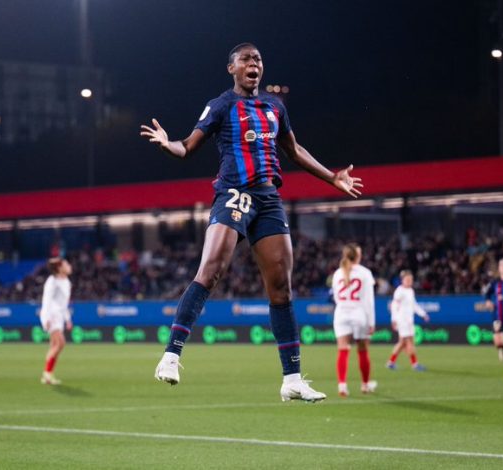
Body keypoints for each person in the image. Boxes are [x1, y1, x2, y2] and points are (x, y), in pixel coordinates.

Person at [140, 42, 363, 402]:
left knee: (281, 288)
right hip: (234, 193)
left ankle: (292, 379)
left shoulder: (275, 106)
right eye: (245, 59)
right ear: (232, 68)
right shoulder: (221, 105)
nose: (253, 63)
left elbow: (294, 150)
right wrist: (168, 144)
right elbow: (188, 146)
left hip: (268, 199)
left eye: (257, 59)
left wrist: (332, 177)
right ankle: (171, 355)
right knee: (211, 270)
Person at [331, 243, 376, 397]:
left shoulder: (338, 273)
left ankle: (342, 386)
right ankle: (365, 385)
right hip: (359, 314)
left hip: (341, 313)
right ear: (357, 256)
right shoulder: (365, 273)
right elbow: (369, 300)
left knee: (343, 350)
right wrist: (371, 322)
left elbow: (336, 297)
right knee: (362, 350)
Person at [385, 270, 430, 371]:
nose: (409, 281)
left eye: (411, 280)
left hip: (409, 321)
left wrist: (423, 314)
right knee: (409, 341)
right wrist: (394, 319)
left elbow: (414, 305)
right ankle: (415, 364)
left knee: (402, 343)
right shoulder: (399, 291)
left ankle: (391, 362)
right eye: (407, 280)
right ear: (402, 280)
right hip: (402, 321)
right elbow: (394, 305)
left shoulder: (410, 291)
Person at [38, 257, 73, 385]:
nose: (69, 266)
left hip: (59, 317)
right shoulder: (52, 281)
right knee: (60, 343)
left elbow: (64, 303)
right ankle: (47, 373)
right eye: (66, 264)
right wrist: (46, 318)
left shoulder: (67, 282)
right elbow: (46, 301)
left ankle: (48, 374)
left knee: (54, 346)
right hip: (51, 316)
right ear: (59, 268)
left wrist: (68, 319)